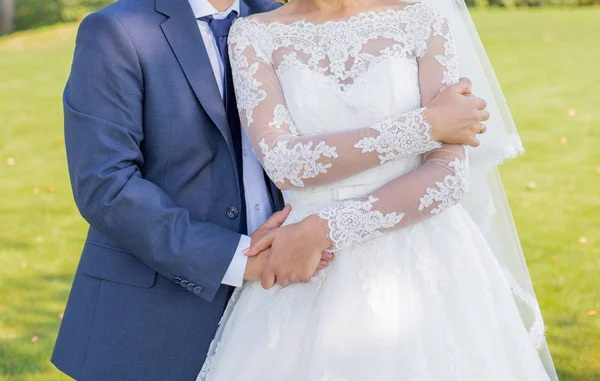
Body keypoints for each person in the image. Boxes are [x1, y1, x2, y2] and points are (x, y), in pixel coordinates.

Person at [51, 0, 485, 379]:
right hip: (167, 303)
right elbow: (106, 185)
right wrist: (238, 260)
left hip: (322, 277)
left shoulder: (269, 15)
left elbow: (446, 168)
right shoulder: (119, 30)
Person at [196, 0, 559, 380]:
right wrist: (429, 125)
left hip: (420, 257)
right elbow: (286, 164)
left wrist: (324, 229)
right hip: (310, 271)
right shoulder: (254, 34)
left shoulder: (422, 20)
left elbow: (447, 176)